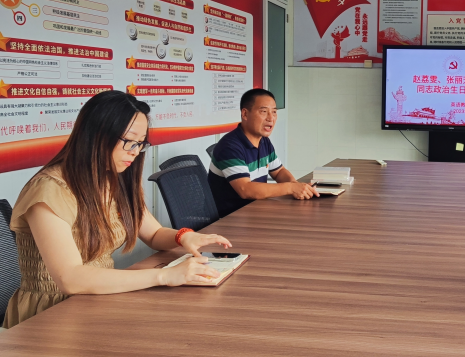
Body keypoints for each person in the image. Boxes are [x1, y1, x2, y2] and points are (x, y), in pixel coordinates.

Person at [3, 90, 232, 329]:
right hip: (51, 315)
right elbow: (70, 279)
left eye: (140, 143)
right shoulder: (50, 190)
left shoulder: (113, 178)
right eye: (129, 141)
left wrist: (183, 236)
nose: (135, 151)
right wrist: (164, 276)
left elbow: (154, 234)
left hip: (99, 299)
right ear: (96, 135)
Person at [208, 89, 318, 217]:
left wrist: (296, 186)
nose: (271, 118)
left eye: (274, 112)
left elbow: (279, 171)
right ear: (245, 114)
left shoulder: (264, 141)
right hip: (230, 218)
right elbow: (245, 189)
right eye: (264, 111)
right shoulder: (230, 147)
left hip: (255, 211)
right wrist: (290, 188)